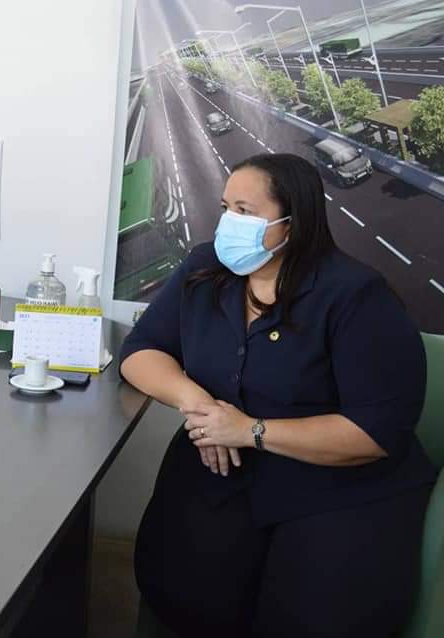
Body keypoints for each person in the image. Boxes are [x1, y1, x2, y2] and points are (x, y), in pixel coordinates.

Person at [119, 153, 437, 637]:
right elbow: (140, 353)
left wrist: (249, 431)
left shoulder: (355, 297)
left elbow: (374, 433)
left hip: (335, 491)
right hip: (226, 469)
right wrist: (203, 408)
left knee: (312, 614)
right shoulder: (206, 269)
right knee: (183, 591)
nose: (230, 222)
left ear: (294, 222)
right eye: (227, 207)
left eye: (246, 211)